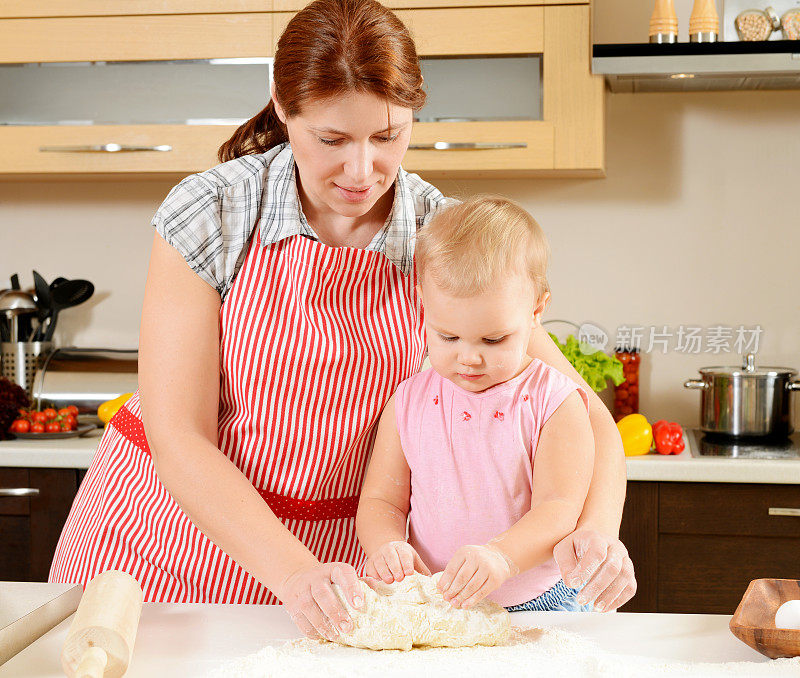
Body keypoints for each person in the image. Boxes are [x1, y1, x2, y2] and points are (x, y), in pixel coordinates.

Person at [49, 0, 634, 643]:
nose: (362, 172)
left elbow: (585, 414)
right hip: (171, 540)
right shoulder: (213, 210)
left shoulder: (438, 233)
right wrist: (294, 572)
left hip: (348, 560)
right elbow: (179, 436)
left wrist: (598, 532)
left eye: (388, 137)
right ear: (282, 104)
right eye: (332, 140)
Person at [357, 195, 596, 612]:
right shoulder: (408, 401)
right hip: (437, 602)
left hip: (537, 601)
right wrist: (387, 544)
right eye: (447, 337)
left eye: (493, 339)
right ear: (423, 306)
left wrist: (502, 557)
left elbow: (559, 510)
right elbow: (381, 501)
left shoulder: (555, 402)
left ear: (537, 310)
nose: (469, 357)